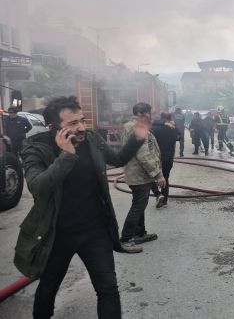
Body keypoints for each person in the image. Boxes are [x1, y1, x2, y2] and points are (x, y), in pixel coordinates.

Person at [15, 96, 148, 319]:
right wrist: (66, 155)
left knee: (108, 288)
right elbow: (38, 187)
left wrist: (136, 138)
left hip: (95, 231)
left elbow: (117, 158)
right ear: (52, 128)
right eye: (72, 124)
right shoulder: (36, 147)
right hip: (56, 233)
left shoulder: (92, 139)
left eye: (82, 120)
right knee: (47, 290)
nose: (81, 128)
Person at [120, 103, 165, 245]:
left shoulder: (132, 125)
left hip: (138, 174)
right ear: (142, 114)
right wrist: (158, 174)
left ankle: (140, 233)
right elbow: (144, 155)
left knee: (139, 204)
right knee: (138, 206)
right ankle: (126, 237)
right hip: (139, 175)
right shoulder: (136, 127)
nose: (151, 116)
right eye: (149, 113)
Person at [151, 112, 180, 208]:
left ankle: (158, 194)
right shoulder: (173, 129)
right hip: (168, 159)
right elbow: (179, 136)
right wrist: (174, 126)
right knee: (165, 178)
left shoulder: (154, 128)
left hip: (156, 158)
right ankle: (164, 200)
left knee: (150, 177)